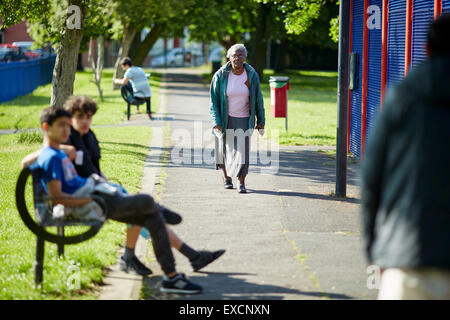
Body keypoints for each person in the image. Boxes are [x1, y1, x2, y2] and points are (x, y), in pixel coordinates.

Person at [21, 96, 225, 276]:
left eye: (89, 117)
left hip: (99, 189)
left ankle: (166, 255)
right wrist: (60, 148)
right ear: (70, 117)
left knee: (148, 213)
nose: (85, 122)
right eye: (80, 117)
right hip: (89, 198)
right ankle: (183, 255)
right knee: (150, 213)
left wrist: (107, 184)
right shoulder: (64, 139)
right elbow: (33, 160)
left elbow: (93, 169)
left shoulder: (88, 136)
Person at [360, 14, 450, 300]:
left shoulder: (402, 96)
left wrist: (376, 249)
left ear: (427, 48)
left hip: (408, 253)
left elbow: (372, 176)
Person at [209, 44, 265, 193]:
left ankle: (241, 182)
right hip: (224, 118)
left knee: (243, 152)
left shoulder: (251, 74)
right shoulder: (220, 75)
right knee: (224, 150)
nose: (237, 58)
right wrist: (216, 122)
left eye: (240, 55)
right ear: (229, 57)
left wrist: (261, 121)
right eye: (234, 55)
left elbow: (258, 98)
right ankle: (227, 178)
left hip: (244, 119)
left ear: (245, 57)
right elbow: (213, 101)